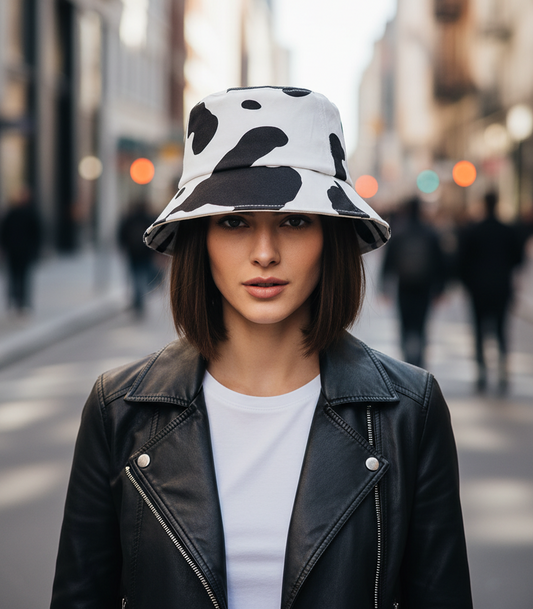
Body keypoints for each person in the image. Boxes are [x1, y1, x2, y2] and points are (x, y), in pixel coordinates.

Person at [51, 87, 472, 609]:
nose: (265, 253)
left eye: (295, 221)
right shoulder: (120, 410)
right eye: (234, 221)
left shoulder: (410, 411)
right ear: (200, 237)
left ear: (331, 237)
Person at [458, 191, 523, 394]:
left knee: (479, 331)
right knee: (501, 330)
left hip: (478, 289)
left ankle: (482, 371)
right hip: (501, 287)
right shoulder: (507, 230)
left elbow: (462, 261)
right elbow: (518, 259)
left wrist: (467, 284)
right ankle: (503, 369)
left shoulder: (474, 230)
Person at [381, 197, 446, 369]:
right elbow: (440, 262)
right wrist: (440, 288)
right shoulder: (430, 233)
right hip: (425, 287)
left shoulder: (399, 232)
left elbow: (388, 262)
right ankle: (419, 362)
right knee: (421, 325)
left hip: (404, 286)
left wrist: (384, 287)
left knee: (405, 324)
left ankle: (406, 362)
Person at [0, 187, 42, 312]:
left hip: (24, 251)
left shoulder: (31, 213)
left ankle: (22, 302)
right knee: (13, 276)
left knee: (23, 277)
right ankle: (13, 300)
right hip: (13, 250)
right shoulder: (12, 213)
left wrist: (35, 250)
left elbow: (37, 234)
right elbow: (4, 231)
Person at [118, 200, 158, 316]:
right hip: (146, 254)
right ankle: (139, 299)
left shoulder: (129, 219)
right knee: (144, 277)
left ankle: (138, 299)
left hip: (133, 254)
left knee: (135, 276)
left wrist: (123, 247)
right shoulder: (148, 219)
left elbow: (122, 234)